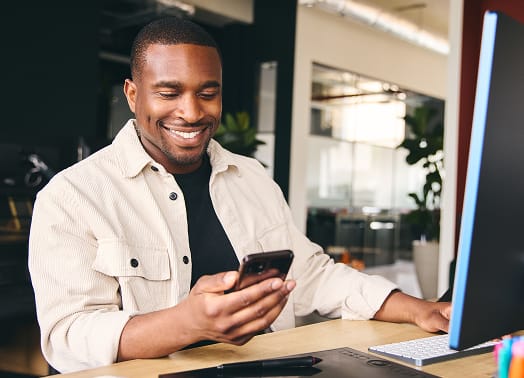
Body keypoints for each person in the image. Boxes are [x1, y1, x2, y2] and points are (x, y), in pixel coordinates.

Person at [28, 16, 451, 373]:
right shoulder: (72, 196)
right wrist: (188, 323)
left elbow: (312, 275)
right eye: (169, 93)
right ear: (133, 94)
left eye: (207, 94)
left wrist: (417, 309)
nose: (192, 112)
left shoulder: (251, 177)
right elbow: (67, 336)